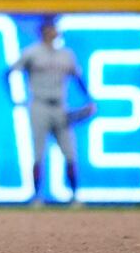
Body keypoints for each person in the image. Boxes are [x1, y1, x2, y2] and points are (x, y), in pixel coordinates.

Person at [6, 17, 92, 206]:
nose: (55, 32)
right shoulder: (32, 53)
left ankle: (75, 196)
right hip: (39, 105)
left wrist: (89, 100)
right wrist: (14, 100)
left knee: (69, 153)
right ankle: (37, 197)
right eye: (51, 28)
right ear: (44, 31)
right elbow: (9, 72)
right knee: (38, 153)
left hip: (61, 106)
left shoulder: (66, 55)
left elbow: (78, 78)